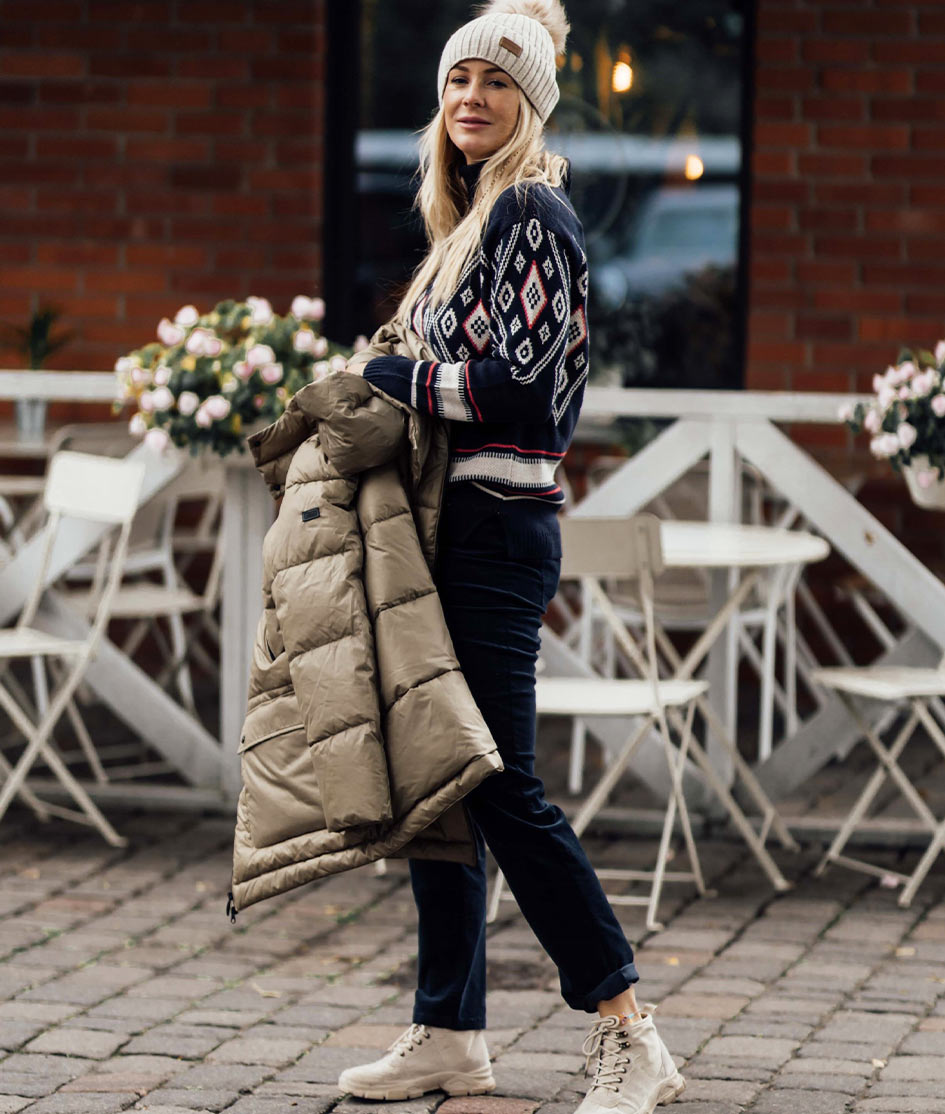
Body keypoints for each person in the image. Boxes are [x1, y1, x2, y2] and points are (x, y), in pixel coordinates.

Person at [339, 3, 685, 1112]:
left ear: (530, 103)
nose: (470, 98)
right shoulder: (473, 221)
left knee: (497, 784)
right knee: (442, 782)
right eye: (455, 82)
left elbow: (525, 393)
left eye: (495, 81)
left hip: (496, 530)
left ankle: (630, 1031)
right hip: (454, 531)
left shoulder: (532, 209)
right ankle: (449, 1029)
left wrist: (403, 385)